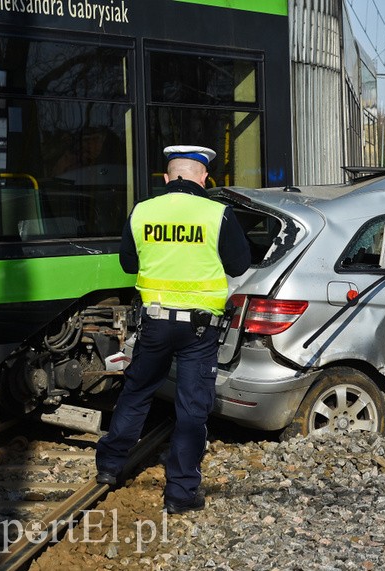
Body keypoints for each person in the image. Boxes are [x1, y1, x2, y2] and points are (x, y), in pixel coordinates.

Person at [96, 145, 251, 514]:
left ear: (167, 179)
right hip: (200, 330)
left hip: (155, 322)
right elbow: (240, 264)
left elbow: (127, 263)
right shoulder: (218, 213)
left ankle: (109, 466)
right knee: (191, 409)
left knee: (137, 392)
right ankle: (180, 494)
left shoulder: (142, 211)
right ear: (204, 178)